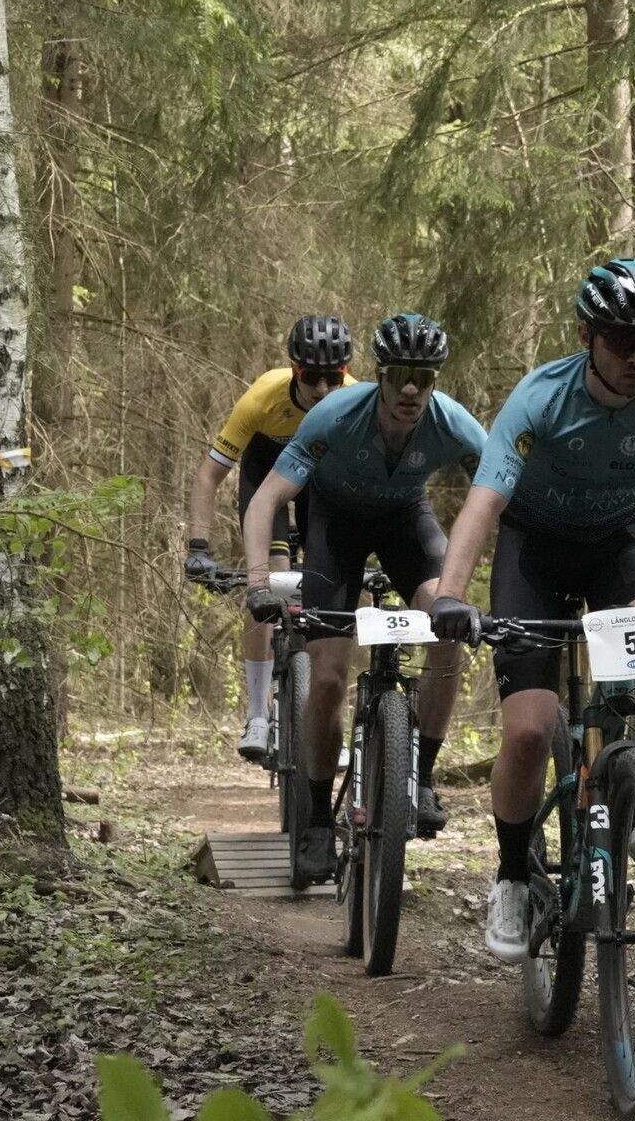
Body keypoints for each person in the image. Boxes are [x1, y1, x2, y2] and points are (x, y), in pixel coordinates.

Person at [428, 260, 635, 962]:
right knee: (527, 731)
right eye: (621, 340)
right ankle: (513, 876)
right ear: (586, 336)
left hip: (618, 549)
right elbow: (484, 503)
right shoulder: (541, 397)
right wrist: (451, 594)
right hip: (535, 554)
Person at [243, 313, 487, 882]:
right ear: (379, 375)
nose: (411, 389)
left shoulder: (454, 423)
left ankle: (422, 776)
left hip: (406, 521)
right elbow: (265, 500)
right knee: (328, 678)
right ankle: (317, 821)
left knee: (447, 626)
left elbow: (501, 492)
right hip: (336, 529)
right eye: (400, 375)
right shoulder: (334, 415)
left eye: (423, 378)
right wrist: (258, 583)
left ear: (435, 381)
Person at [183, 315, 356, 763]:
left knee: (327, 581)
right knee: (270, 578)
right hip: (266, 475)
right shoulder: (262, 397)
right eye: (311, 377)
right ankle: (258, 712)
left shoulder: (356, 399)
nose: (323, 389)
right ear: (294, 369)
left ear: (346, 372)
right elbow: (209, 475)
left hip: (321, 483)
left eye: (333, 377)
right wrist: (199, 547)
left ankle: (325, 718)